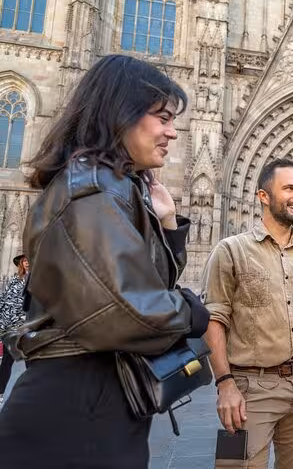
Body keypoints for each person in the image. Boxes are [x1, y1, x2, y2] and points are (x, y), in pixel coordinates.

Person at [0, 55, 209, 469]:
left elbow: (134, 286)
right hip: (77, 408)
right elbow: (127, 312)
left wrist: (166, 225)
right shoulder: (91, 190)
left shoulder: (107, 186)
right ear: (121, 113)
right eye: (163, 117)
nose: (172, 131)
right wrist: (193, 311)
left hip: (95, 396)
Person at [202, 158, 293, 469]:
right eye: (289, 188)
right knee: (235, 466)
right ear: (263, 196)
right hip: (250, 389)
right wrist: (225, 384)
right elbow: (213, 318)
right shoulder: (230, 250)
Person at [0, 254, 30, 404]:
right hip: (10, 325)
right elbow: (4, 299)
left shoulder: (35, 281)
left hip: (25, 326)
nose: (27, 263)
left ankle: (30, 397)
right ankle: (0, 392)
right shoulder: (14, 279)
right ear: (21, 263)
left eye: (29, 260)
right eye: (24, 261)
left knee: (31, 360)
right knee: (7, 359)